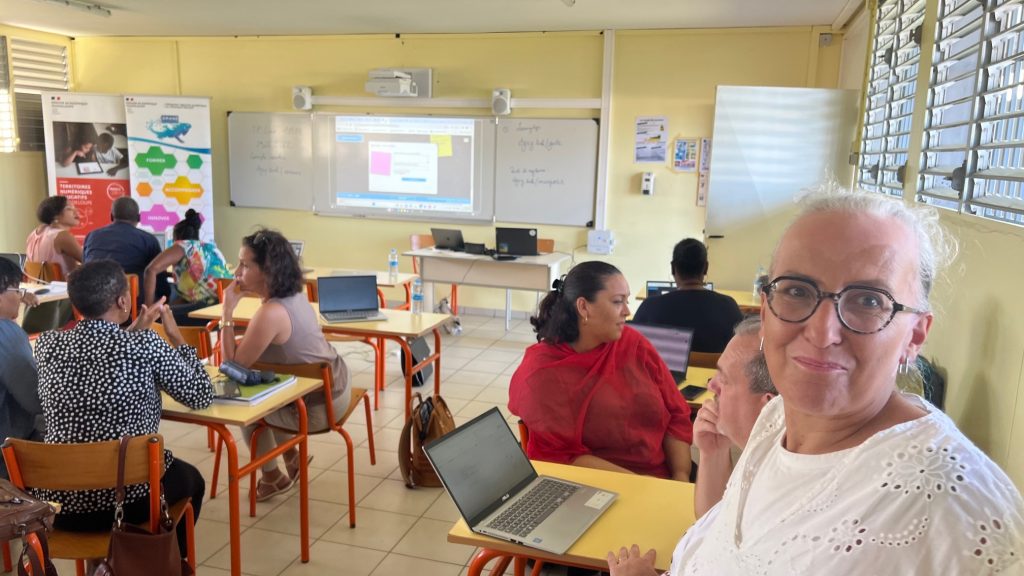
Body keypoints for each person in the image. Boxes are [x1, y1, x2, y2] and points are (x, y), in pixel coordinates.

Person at [607, 189, 1024, 575]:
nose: (823, 333)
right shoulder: (775, 420)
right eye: (797, 291)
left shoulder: (961, 515)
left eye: (869, 300)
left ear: (914, 335)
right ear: (765, 312)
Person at [33, 259, 213, 557]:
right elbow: (201, 395)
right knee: (193, 480)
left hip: (61, 503)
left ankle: (101, 565)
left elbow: (98, 363)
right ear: (122, 300)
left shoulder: (47, 345)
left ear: (77, 304)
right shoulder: (145, 344)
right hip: (126, 502)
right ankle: (162, 562)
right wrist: (177, 338)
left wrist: (133, 332)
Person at [509, 261, 693, 480]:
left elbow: (676, 413)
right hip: (596, 483)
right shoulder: (542, 373)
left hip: (662, 478)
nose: (627, 311)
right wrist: (643, 485)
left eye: (626, 300)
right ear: (583, 307)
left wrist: (681, 477)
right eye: (617, 301)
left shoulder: (633, 343)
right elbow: (561, 456)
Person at [220, 229, 351, 501]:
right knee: (271, 388)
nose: (237, 272)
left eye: (245, 265)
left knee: (247, 407)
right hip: (337, 387)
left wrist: (227, 311)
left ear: (266, 271)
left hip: (319, 409)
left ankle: (272, 478)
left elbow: (230, 367)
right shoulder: (295, 296)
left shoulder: (270, 313)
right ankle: (292, 458)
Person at [692, 317, 776, 518]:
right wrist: (713, 453)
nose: (711, 385)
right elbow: (710, 522)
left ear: (769, 405)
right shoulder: (758, 450)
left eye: (724, 379)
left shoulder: (783, 484)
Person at [632, 238, 743, 353]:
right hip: (716, 366)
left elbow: (631, 348)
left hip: (665, 365)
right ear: (706, 268)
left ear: (673, 268)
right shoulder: (729, 307)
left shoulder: (649, 307)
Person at [144, 209, 231, 326]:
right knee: (169, 306)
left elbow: (150, 270)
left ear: (177, 238)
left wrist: (148, 311)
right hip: (225, 306)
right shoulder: (211, 248)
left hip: (208, 308)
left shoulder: (183, 245)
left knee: (156, 316)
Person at [0, 258, 43, 478]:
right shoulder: (6, 333)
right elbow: (36, 400)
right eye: (17, 290)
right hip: (5, 454)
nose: (20, 297)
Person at [84, 197, 167, 301]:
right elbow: (159, 279)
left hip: (93, 301)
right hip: (133, 304)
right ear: (139, 218)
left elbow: (85, 267)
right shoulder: (148, 240)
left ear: (111, 216)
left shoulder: (91, 236)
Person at [25, 195, 83, 278]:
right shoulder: (62, 236)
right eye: (69, 209)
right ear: (55, 215)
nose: (76, 212)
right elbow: (90, 261)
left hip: (37, 285)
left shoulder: (33, 234)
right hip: (62, 285)